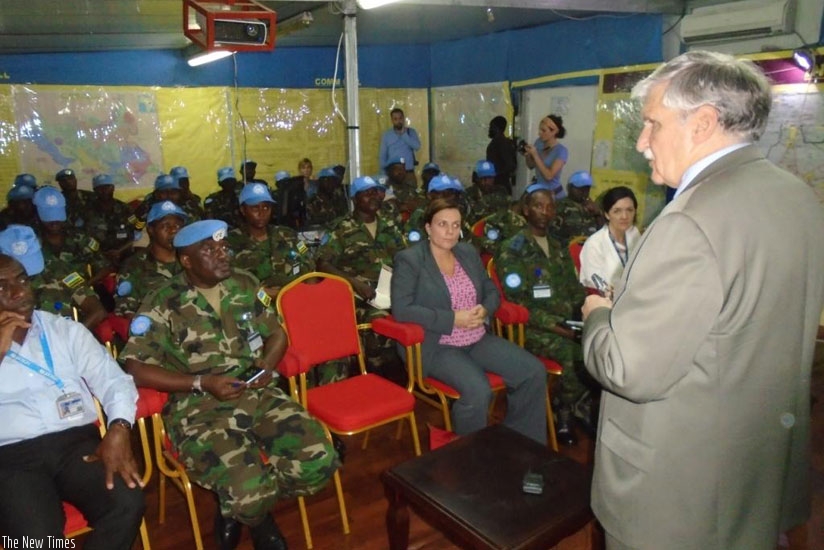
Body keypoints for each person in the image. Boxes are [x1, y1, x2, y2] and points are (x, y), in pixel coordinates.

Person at [580, 51, 824, 550]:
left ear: (704, 123)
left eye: (652, 123)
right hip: (754, 466)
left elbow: (627, 369)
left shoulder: (689, 222)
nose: (642, 142)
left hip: (678, 494)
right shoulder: (795, 196)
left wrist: (598, 315)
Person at [120, 219, 339, 550]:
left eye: (223, 247)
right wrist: (202, 382)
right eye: (209, 250)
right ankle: (256, 516)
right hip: (198, 406)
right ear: (186, 260)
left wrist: (267, 364)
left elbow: (276, 333)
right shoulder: (162, 301)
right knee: (248, 490)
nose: (223, 255)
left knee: (320, 461)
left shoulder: (244, 283)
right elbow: (135, 368)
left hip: (256, 391)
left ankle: (240, 507)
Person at [0, 249, 145, 549]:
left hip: (75, 444)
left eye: (22, 280)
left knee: (127, 502)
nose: (18, 291)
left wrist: (119, 427)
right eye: (2, 286)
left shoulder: (64, 330)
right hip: (11, 457)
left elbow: (114, 380)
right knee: (35, 540)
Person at [392, 197, 547, 444]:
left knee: (533, 372)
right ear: (428, 228)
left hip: (477, 338)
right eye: (442, 224)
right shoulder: (410, 260)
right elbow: (402, 310)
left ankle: (522, 443)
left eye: (456, 225)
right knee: (478, 391)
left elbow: (491, 290)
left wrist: (485, 310)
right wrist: (453, 319)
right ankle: (468, 455)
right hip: (437, 345)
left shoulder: (466, 252)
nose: (450, 231)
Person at [495, 184, 588, 446]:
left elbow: (574, 288)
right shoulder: (512, 249)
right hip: (532, 328)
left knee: (601, 346)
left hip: (567, 322)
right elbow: (519, 305)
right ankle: (563, 409)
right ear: (526, 209)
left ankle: (582, 404)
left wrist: (588, 314)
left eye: (550, 207)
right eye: (538, 206)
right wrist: (561, 329)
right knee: (577, 356)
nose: (545, 212)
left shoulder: (558, 245)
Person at [227, 183, 313, 296]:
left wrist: (306, 292)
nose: (261, 213)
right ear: (243, 210)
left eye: (266, 207)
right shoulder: (230, 242)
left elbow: (309, 264)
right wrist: (263, 295)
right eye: (255, 208)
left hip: (294, 296)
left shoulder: (289, 235)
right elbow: (228, 283)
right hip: (255, 302)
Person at [114, 200, 186, 318]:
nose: (173, 230)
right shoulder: (133, 266)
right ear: (151, 230)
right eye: (166, 226)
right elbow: (126, 309)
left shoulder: (191, 260)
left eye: (178, 226)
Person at [578, 186, 640, 293]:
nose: (624, 216)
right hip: (606, 299)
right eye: (617, 211)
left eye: (629, 210)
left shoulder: (634, 234)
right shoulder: (594, 244)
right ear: (607, 214)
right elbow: (596, 282)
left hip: (635, 294)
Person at [551, 170, 604, 245]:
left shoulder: (592, 206)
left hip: (591, 248)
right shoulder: (560, 206)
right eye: (580, 188)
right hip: (567, 249)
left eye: (587, 188)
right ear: (569, 188)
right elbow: (552, 235)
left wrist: (598, 214)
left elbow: (603, 233)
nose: (584, 191)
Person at [522, 114, 568, 199]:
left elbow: (549, 176)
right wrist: (527, 155)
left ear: (554, 132)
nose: (539, 133)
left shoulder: (561, 151)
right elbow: (531, 166)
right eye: (539, 129)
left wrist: (535, 155)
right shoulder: (538, 143)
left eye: (543, 130)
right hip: (539, 190)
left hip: (553, 193)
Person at [378, 107, 421, 188]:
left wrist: (404, 135)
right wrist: (383, 175)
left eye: (400, 118)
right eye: (395, 119)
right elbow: (383, 156)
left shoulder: (411, 132)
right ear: (392, 120)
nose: (398, 121)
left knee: (411, 195)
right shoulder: (387, 135)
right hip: (393, 175)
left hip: (408, 173)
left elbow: (417, 146)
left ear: (403, 119)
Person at [466, 160, 510, 224]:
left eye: (490, 178)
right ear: (477, 179)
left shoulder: (501, 191)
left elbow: (507, 210)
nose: (487, 182)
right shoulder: (469, 193)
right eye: (483, 178)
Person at [486, 115, 517, 194]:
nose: (489, 129)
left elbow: (510, 165)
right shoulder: (498, 142)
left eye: (491, 127)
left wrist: (495, 175)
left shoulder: (501, 143)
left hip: (500, 186)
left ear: (497, 128)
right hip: (497, 185)